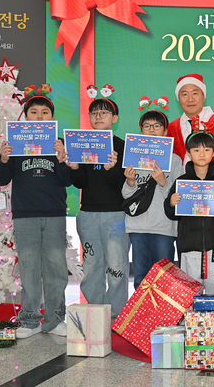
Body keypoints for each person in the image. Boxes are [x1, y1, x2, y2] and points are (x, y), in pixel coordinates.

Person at [0, 88, 71, 338]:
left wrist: (62, 159)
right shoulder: (14, 144)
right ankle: (29, 321)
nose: (39, 117)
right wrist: (4, 159)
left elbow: (69, 180)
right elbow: (0, 179)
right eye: (34, 112)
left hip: (54, 213)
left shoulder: (59, 144)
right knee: (28, 268)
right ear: (25, 116)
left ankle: (55, 319)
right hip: (24, 214)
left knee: (56, 268)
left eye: (45, 112)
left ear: (52, 117)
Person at [65, 96, 130, 322]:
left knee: (117, 267)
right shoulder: (82, 143)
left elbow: (125, 185)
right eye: (94, 113)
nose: (99, 116)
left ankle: (116, 316)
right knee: (92, 266)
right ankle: (95, 314)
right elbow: (80, 183)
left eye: (104, 112)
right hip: (88, 214)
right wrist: (74, 168)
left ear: (115, 118)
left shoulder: (122, 146)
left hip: (116, 214)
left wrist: (111, 169)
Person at [122, 102, 184, 289]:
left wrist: (163, 182)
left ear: (165, 132)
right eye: (147, 126)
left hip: (164, 228)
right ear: (141, 131)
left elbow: (178, 198)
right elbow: (126, 196)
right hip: (138, 226)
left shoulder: (175, 160)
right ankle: (142, 308)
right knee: (141, 277)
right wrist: (130, 181)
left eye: (157, 126)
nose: (152, 130)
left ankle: (164, 310)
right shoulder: (133, 157)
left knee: (164, 277)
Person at [163, 129, 214, 293]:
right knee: (189, 293)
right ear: (189, 153)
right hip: (189, 246)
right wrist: (171, 203)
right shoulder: (182, 182)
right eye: (196, 150)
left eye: (207, 149)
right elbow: (171, 214)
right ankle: (190, 312)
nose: (202, 154)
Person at [166, 73, 214, 176]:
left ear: (204, 96)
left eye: (195, 93)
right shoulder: (171, 128)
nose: (190, 99)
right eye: (185, 94)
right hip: (179, 184)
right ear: (178, 99)